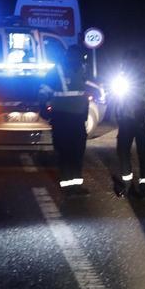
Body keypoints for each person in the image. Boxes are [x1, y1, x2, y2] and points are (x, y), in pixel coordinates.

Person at [48, 45, 100, 194]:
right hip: (62, 118)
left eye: (79, 56)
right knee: (65, 152)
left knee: (77, 152)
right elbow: (44, 90)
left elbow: (91, 86)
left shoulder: (83, 70)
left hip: (77, 119)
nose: (77, 59)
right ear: (68, 56)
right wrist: (44, 108)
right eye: (75, 56)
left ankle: (76, 185)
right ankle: (67, 186)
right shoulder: (56, 71)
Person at [111, 48, 145, 198]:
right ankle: (130, 185)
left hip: (140, 119)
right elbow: (116, 98)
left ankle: (141, 188)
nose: (129, 63)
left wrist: (143, 105)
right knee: (125, 152)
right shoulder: (124, 78)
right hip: (128, 120)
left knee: (140, 153)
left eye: (131, 60)